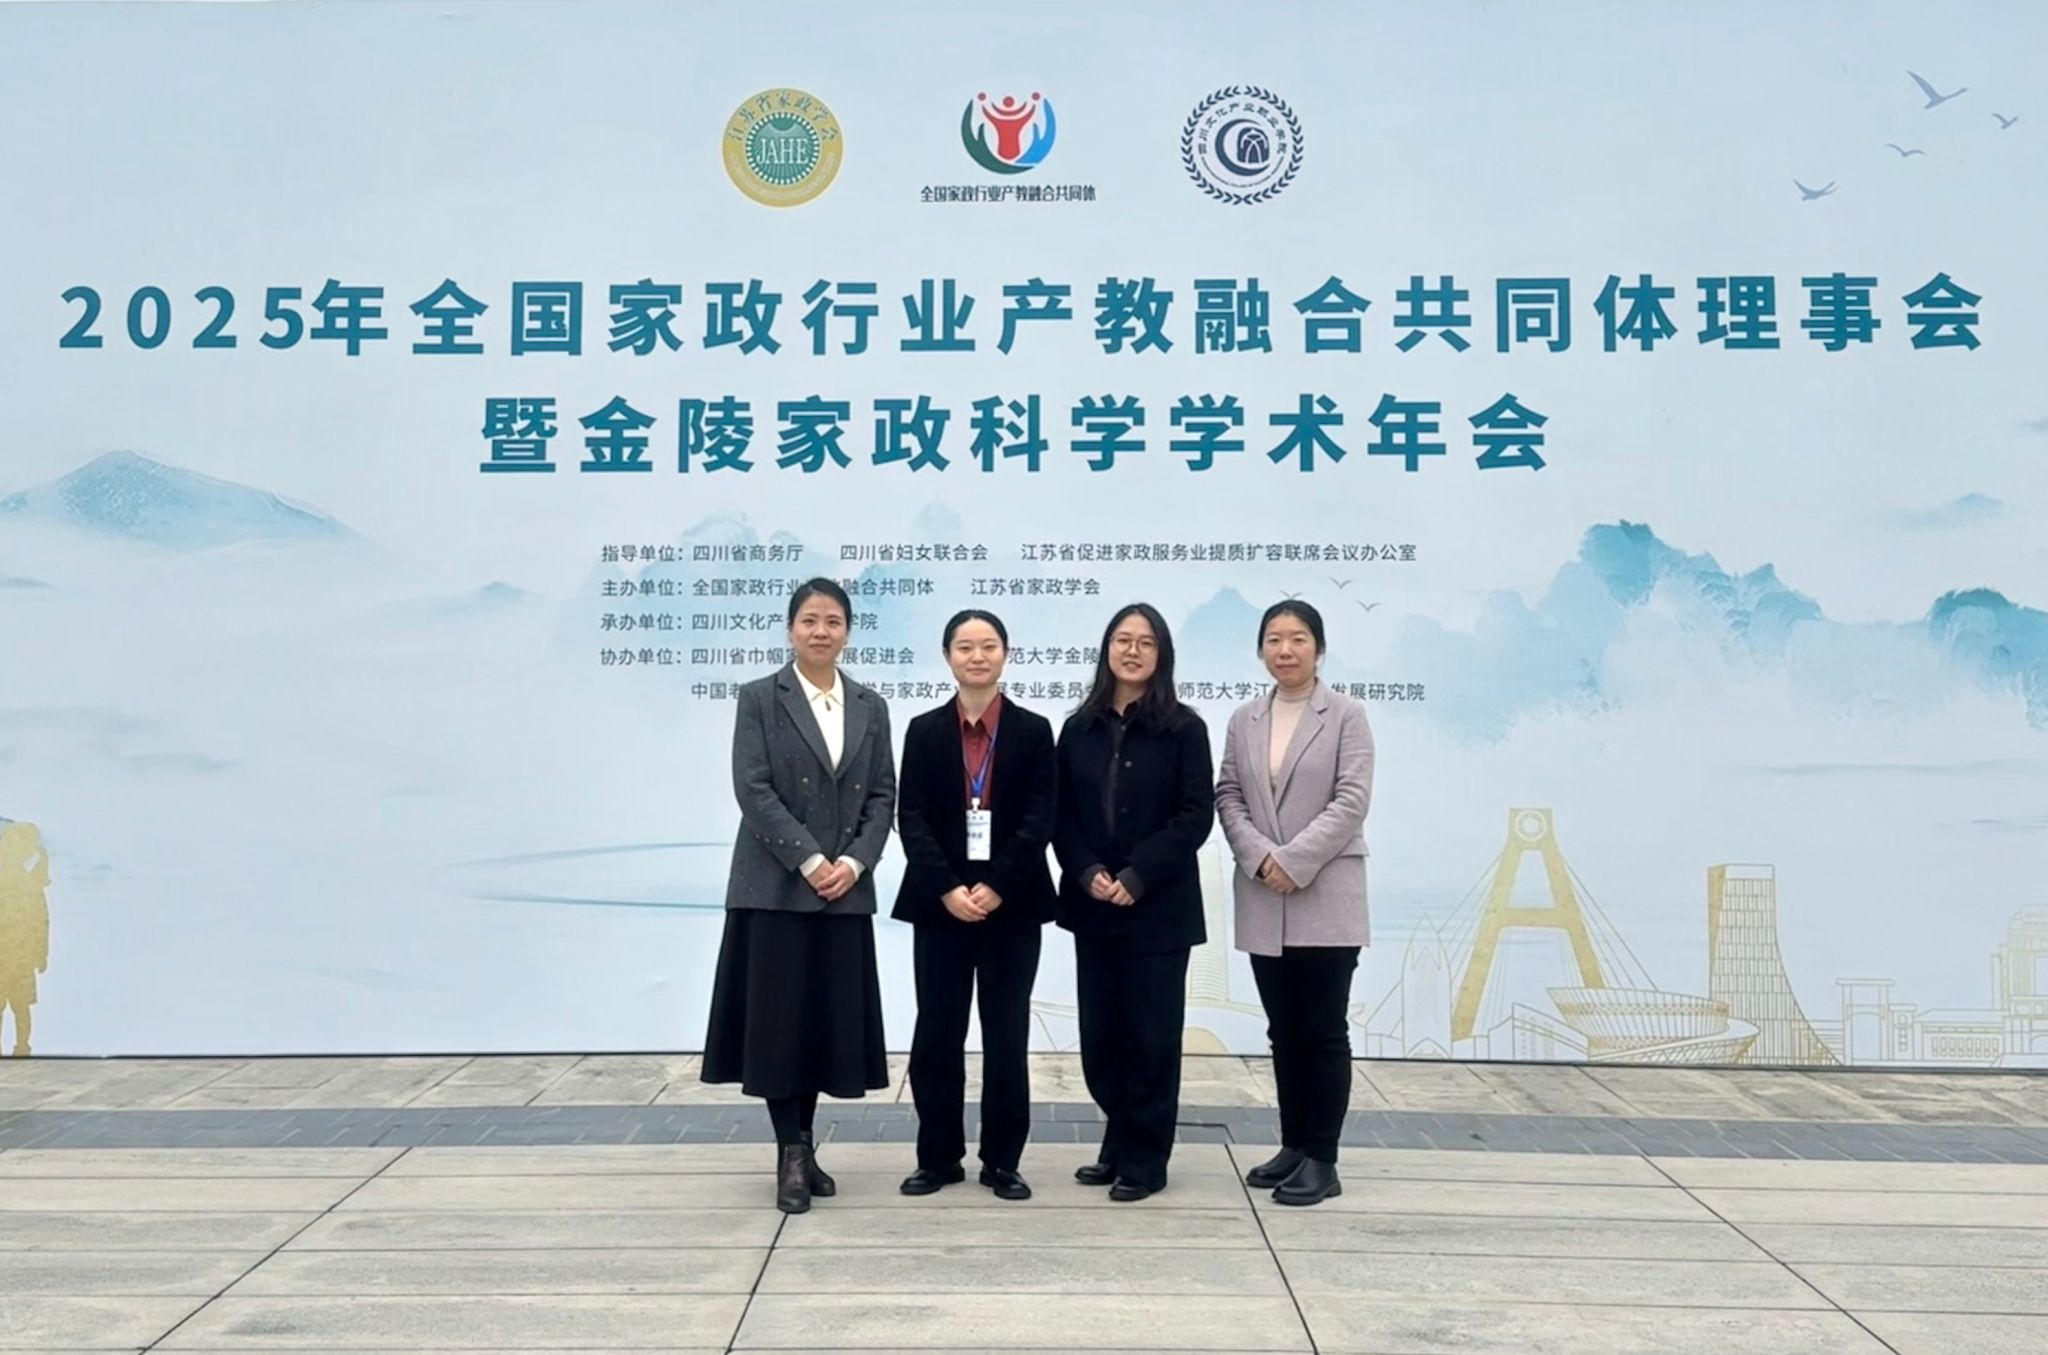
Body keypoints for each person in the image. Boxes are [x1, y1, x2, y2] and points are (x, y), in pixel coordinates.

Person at [701, 578, 896, 1214]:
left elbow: (883, 795)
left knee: (821, 1025)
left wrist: (855, 862)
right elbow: (752, 788)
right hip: (775, 889)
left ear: (848, 632)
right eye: (810, 620)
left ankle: (805, 1145)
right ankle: (789, 1151)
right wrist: (811, 860)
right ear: (790, 629)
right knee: (777, 1026)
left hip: (843, 891)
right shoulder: (760, 697)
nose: (821, 631)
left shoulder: (869, 704)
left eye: (833, 621)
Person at [893, 609, 1057, 1201]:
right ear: (948, 657)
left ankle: (1002, 1161)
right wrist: (947, 888)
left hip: (1012, 907)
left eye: (988, 646)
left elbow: (1041, 816)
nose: (977, 656)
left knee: (1006, 1035)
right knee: (937, 1033)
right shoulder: (923, 730)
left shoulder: (1034, 730)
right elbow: (910, 817)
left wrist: (998, 885)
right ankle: (937, 1157)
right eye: (965, 647)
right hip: (940, 907)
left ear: (1005, 654)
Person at [1053, 603, 1215, 1202]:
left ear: (1162, 654)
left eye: (1146, 642)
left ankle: (1146, 1159)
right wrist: (1087, 870)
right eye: (1122, 640)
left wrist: (1139, 873)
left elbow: (1195, 816)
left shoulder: (1185, 729)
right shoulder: (1078, 728)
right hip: (1093, 904)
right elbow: (1060, 814)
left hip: (1159, 909)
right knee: (1101, 1039)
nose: (1132, 650)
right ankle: (1119, 1138)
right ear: (1106, 650)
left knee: (1151, 1038)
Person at [1215, 600, 1374, 1206]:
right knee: (1283, 1031)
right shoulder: (1245, 719)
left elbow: (1351, 800)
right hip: (1264, 892)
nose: (1285, 650)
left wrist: (1294, 860)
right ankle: (1293, 1146)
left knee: (1324, 1031)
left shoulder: (1347, 715)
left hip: (1326, 893)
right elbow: (1228, 794)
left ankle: (1323, 1159)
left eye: (1298, 638)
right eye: (1274, 639)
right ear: (1261, 649)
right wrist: (1261, 858)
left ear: (1319, 648)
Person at [0, 821, 51, 1058]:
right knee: (20, 1006)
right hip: (19, 954)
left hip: (15, 954)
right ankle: (22, 1048)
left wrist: (41, 953)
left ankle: (22, 1048)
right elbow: (41, 920)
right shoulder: (30, 880)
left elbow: (41, 920)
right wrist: (41, 954)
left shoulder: (26, 879)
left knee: (17, 1006)